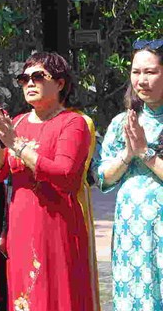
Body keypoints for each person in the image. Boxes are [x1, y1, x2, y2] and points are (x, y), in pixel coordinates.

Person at [0, 52, 95, 311]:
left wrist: (18, 146)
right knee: (24, 297)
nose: (29, 84)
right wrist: (2, 145)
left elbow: (66, 175)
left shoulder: (73, 123)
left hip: (56, 226)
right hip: (21, 226)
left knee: (55, 296)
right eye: (24, 79)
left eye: (38, 77)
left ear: (60, 83)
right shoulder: (18, 122)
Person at [95, 39, 163, 310]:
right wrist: (128, 154)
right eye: (136, 72)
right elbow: (104, 179)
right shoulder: (122, 122)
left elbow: (146, 154)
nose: (141, 80)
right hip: (131, 231)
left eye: (150, 72)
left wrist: (145, 152)